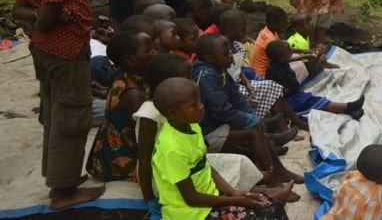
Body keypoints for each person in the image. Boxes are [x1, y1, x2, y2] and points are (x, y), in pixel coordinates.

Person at [12, 0, 105, 209]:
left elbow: (19, 10)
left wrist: (40, 15)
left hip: (44, 50)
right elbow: (49, 15)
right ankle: (64, 192)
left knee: (54, 112)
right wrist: (51, 15)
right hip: (65, 50)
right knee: (72, 114)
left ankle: (60, 176)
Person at [135, 54, 297, 217]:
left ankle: (263, 190)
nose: (191, 81)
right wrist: (149, 200)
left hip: (190, 166)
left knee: (239, 163)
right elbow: (145, 159)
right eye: (185, 77)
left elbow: (203, 162)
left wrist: (234, 194)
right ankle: (263, 193)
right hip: (176, 180)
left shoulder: (189, 124)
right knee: (265, 210)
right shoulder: (155, 123)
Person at [192, 33, 304, 185]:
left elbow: (237, 97)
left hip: (220, 122)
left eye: (230, 52)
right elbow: (222, 111)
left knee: (255, 125)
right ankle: (274, 180)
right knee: (253, 132)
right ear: (209, 58)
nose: (231, 56)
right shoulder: (206, 77)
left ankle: (279, 171)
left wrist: (251, 115)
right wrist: (249, 120)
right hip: (208, 131)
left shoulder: (219, 70)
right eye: (226, 54)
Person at [86, 30, 154, 181]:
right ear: (130, 59)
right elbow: (142, 132)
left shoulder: (126, 75)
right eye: (148, 50)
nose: (154, 53)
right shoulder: (133, 93)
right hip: (119, 157)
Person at [265, 40, 364, 121]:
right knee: (312, 100)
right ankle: (348, 107)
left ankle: (347, 110)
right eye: (289, 51)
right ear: (282, 58)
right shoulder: (277, 72)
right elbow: (290, 88)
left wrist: (305, 54)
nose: (292, 51)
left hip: (292, 94)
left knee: (311, 98)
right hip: (287, 101)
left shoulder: (280, 63)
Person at [321, 144, 382, 220]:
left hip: (337, 215)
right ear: (380, 179)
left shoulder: (354, 175)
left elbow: (337, 194)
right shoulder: (375, 198)